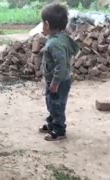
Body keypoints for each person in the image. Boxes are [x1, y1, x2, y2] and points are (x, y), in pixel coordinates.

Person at [38, 3, 80, 141]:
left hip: (59, 82)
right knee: (51, 103)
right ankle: (52, 123)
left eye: (42, 23)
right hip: (57, 80)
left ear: (47, 25)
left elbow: (61, 65)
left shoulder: (55, 43)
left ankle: (59, 130)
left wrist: (55, 82)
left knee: (57, 105)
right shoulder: (60, 38)